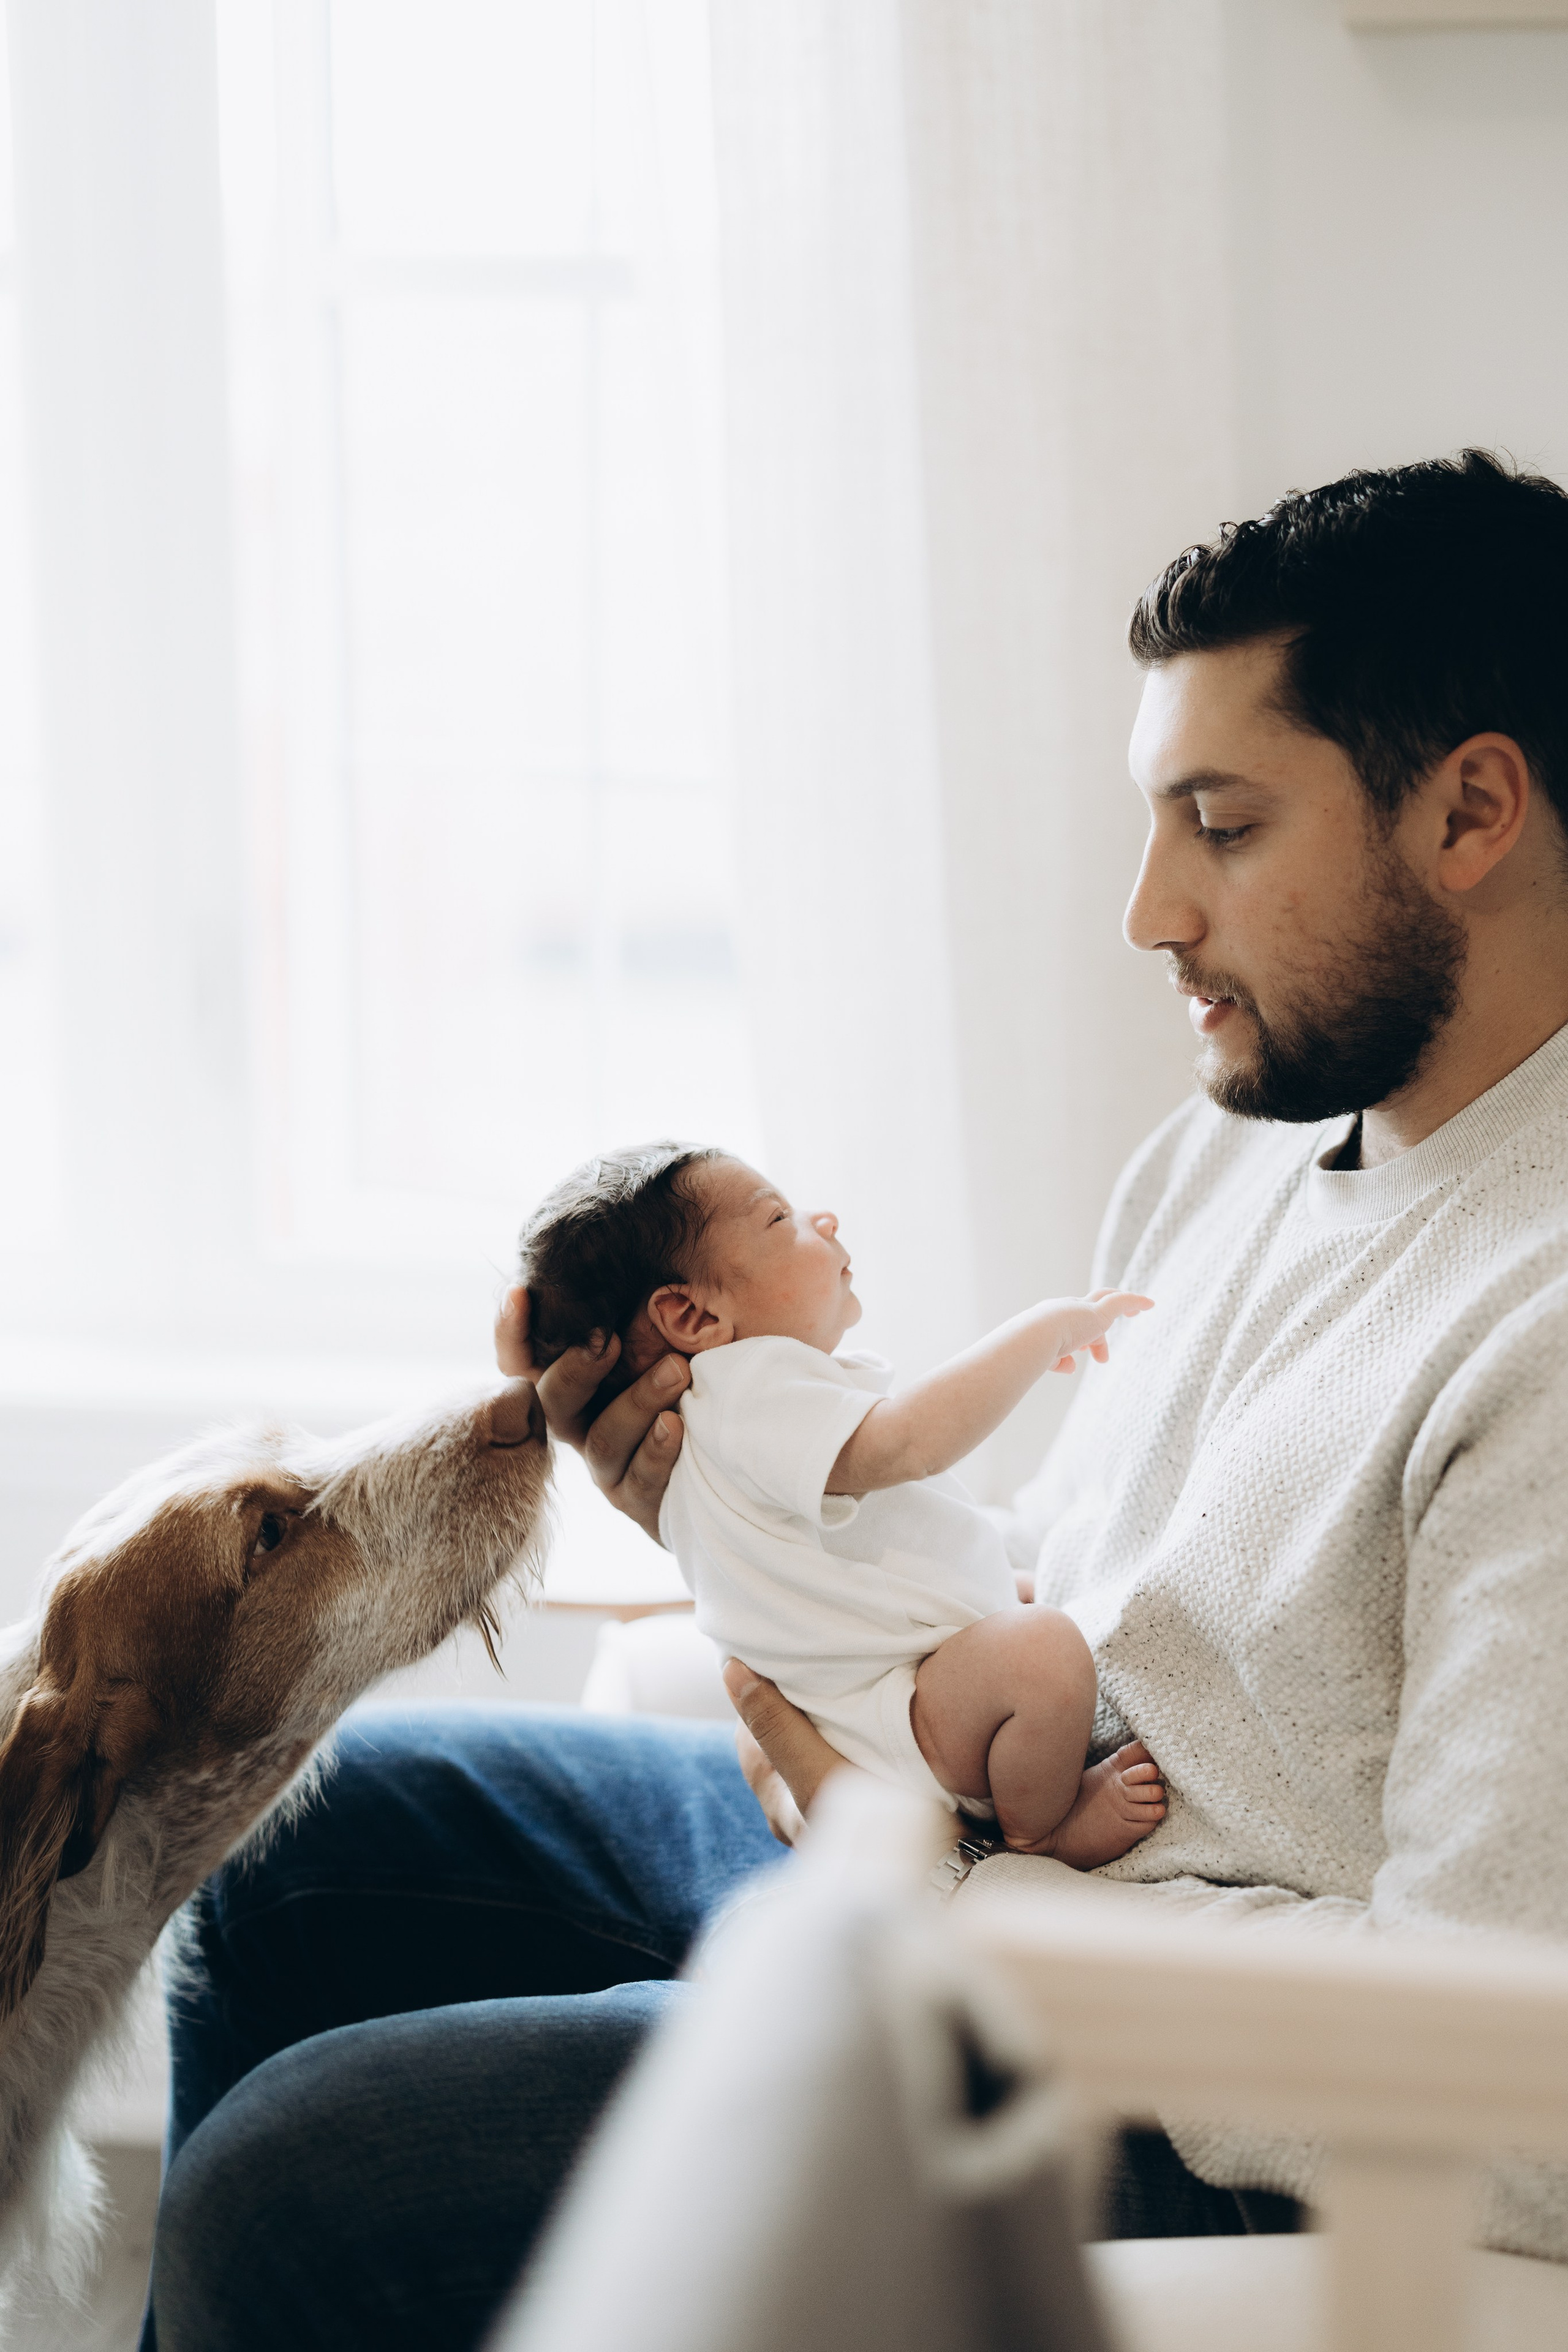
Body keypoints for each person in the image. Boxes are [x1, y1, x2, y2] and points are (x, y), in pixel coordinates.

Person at [145, 450, 1568, 2350]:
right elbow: (1085, 1569)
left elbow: (1502, 2086)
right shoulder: (1248, 1141)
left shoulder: (1541, 1319)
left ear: (1471, 808)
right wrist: (772, 1522)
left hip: (1145, 2064)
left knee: (298, 2188)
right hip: (951, 1835)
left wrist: (936, 1887)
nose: (1148, 911)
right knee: (290, 1847)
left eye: (1217, 823)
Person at [516, 1140, 1161, 1858]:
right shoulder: (743, 1388)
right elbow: (907, 1442)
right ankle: (1041, 1832)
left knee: (1022, 1596)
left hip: (878, 1710)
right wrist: (1044, 1332)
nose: (822, 1220)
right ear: (693, 1318)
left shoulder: (720, 1428)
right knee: (1042, 1649)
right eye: (779, 1220)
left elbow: (855, 1563)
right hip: (897, 1725)